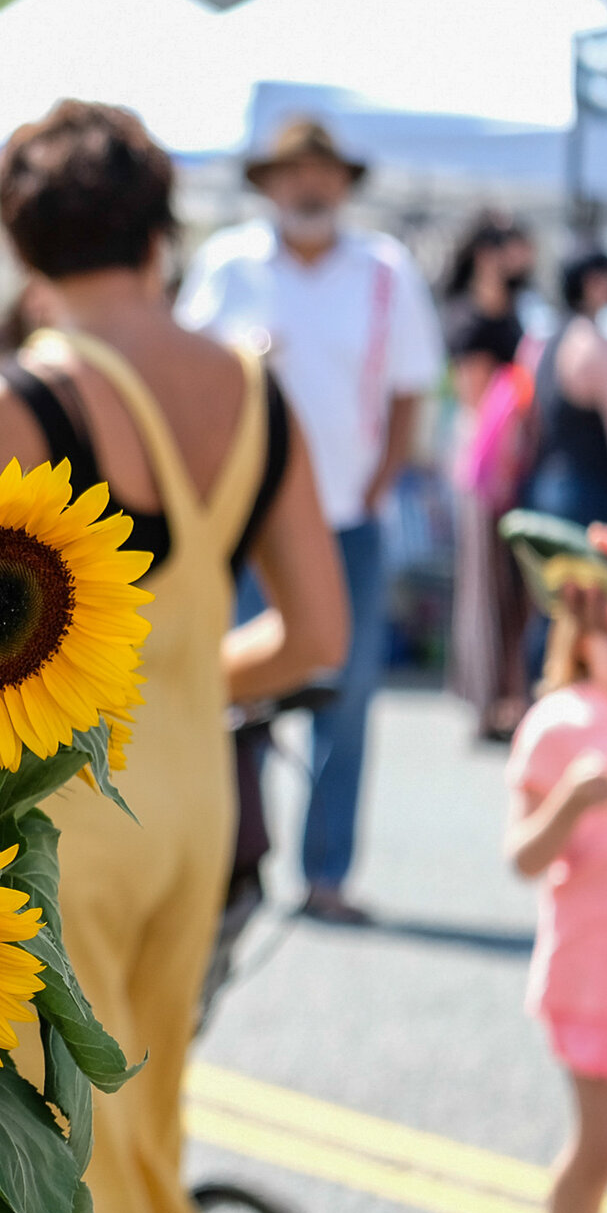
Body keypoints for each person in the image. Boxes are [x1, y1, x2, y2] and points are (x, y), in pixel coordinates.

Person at [0, 101, 348, 1213]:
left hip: (65, 813)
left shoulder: (17, 402)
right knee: (150, 1124)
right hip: (195, 807)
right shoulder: (249, 385)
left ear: (23, 252)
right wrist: (181, 687)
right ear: (157, 235)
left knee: (62, 1149)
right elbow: (317, 631)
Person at [178, 116, 443, 925]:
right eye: (294, 173)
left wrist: (379, 484)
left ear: (345, 185)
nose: (309, 188)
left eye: (322, 174)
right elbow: (184, 376)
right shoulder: (227, 265)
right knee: (234, 689)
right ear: (269, 185)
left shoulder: (386, 271)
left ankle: (325, 874)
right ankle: (239, 859)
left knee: (347, 695)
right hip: (246, 522)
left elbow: (411, 388)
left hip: (345, 520)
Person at [503, 525, 607, 1213]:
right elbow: (523, 856)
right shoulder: (558, 724)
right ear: (583, 636)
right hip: (597, 975)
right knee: (605, 1146)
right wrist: (568, 802)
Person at [445, 214, 540, 744]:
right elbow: (475, 401)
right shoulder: (473, 318)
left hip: (510, 466)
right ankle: (486, 700)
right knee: (485, 587)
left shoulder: (514, 313)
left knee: (508, 588)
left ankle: (506, 696)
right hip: (485, 470)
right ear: (487, 252)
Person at [525, 248, 607, 531]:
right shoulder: (601, 349)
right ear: (592, 282)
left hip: (545, 488)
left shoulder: (545, 344)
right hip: (595, 499)